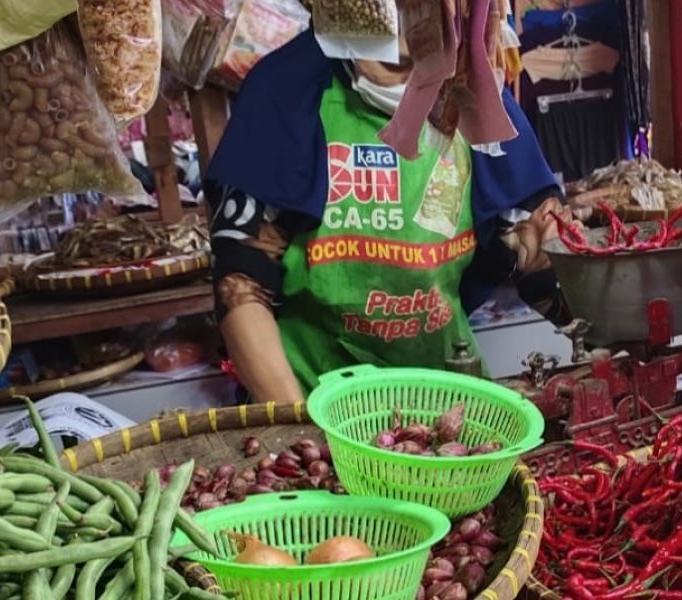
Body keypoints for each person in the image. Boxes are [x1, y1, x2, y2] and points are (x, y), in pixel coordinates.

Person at [205, 30, 571, 402]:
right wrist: (301, 433)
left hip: (448, 401)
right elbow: (240, 288)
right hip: (312, 397)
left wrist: (613, 318)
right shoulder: (285, 90)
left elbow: (543, 251)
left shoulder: (475, 90)